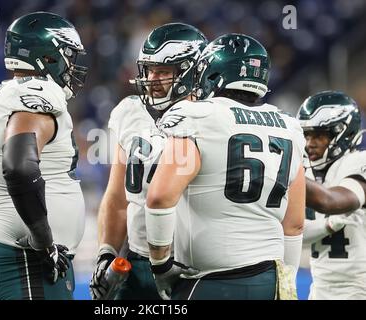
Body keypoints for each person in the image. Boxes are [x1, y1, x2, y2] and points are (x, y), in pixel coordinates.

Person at [144, 33, 306, 300]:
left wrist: (160, 266)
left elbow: (160, 197)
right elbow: (295, 224)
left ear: (211, 73)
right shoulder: (290, 127)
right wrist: (285, 281)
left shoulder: (196, 115)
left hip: (212, 282)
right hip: (268, 279)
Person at [89, 23, 207, 300]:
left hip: (192, 267)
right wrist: (106, 252)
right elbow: (118, 197)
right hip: (138, 261)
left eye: (164, 71)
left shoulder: (211, 117)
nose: (153, 78)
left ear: (192, 72)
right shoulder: (130, 111)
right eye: (149, 69)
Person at [0, 12, 87, 300]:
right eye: (68, 56)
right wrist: (44, 243)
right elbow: (19, 167)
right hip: (25, 260)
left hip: (23, 258)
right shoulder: (39, 93)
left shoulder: (9, 93)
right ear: (48, 58)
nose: (72, 65)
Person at [297, 91, 366, 300]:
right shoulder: (306, 172)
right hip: (320, 286)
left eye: (319, 135)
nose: (310, 143)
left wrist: (286, 174)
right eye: (307, 135)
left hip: (359, 285)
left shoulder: (359, 162)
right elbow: (294, 234)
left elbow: (331, 201)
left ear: (342, 133)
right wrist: (326, 226)